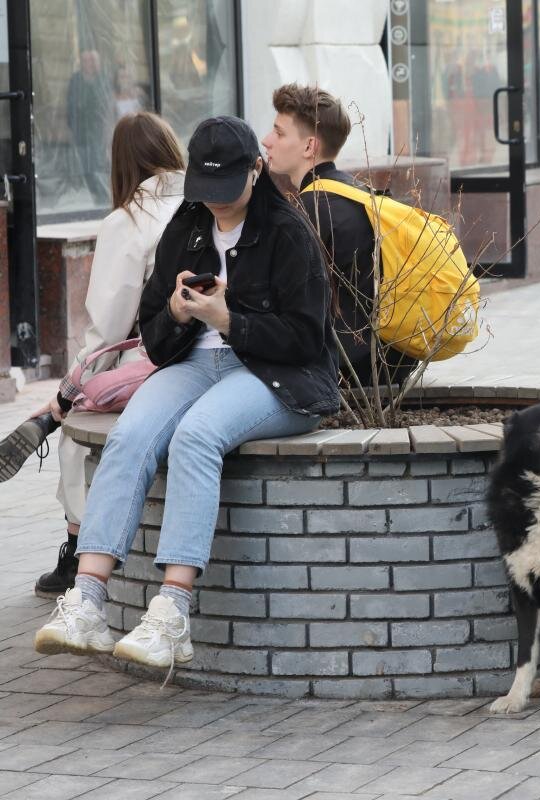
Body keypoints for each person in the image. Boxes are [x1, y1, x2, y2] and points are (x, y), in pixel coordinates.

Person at [33, 116, 339, 669]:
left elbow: (306, 339)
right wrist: (176, 312)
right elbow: (151, 326)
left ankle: (172, 614)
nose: (216, 204)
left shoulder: (288, 231)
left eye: (227, 191)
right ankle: (87, 601)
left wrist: (231, 320)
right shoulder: (189, 223)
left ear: (256, 170)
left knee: (196, 437)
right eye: (206, 190)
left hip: (274, 375)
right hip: (195, 364)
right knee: (131, 434)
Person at [0, 112, 185, 597]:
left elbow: (107, 328)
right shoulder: (202, 205)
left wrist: (69, 390)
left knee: (77, 435)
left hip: (151, 361)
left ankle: (77, 552)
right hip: (207, 355)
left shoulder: (128, 221)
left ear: (123, 164)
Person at [262, 83, 413, 387]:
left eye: (279, 133)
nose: (266, 141)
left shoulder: (306, 214)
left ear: (309, 147)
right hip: (393, 359)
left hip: (345, 373)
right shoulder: (360, 194)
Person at [68, 49, 114, 205]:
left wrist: (108, 129)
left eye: (93, 60)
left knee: (97, 161)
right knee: (83, 161)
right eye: (86, 60)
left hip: (99, 129)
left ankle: (101, 195)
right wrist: (71, 129)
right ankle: (92, 193)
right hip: (80, 130)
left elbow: (108, 106)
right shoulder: (76, 80)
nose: (90, 64)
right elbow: (71, 107)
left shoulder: (103, 80)